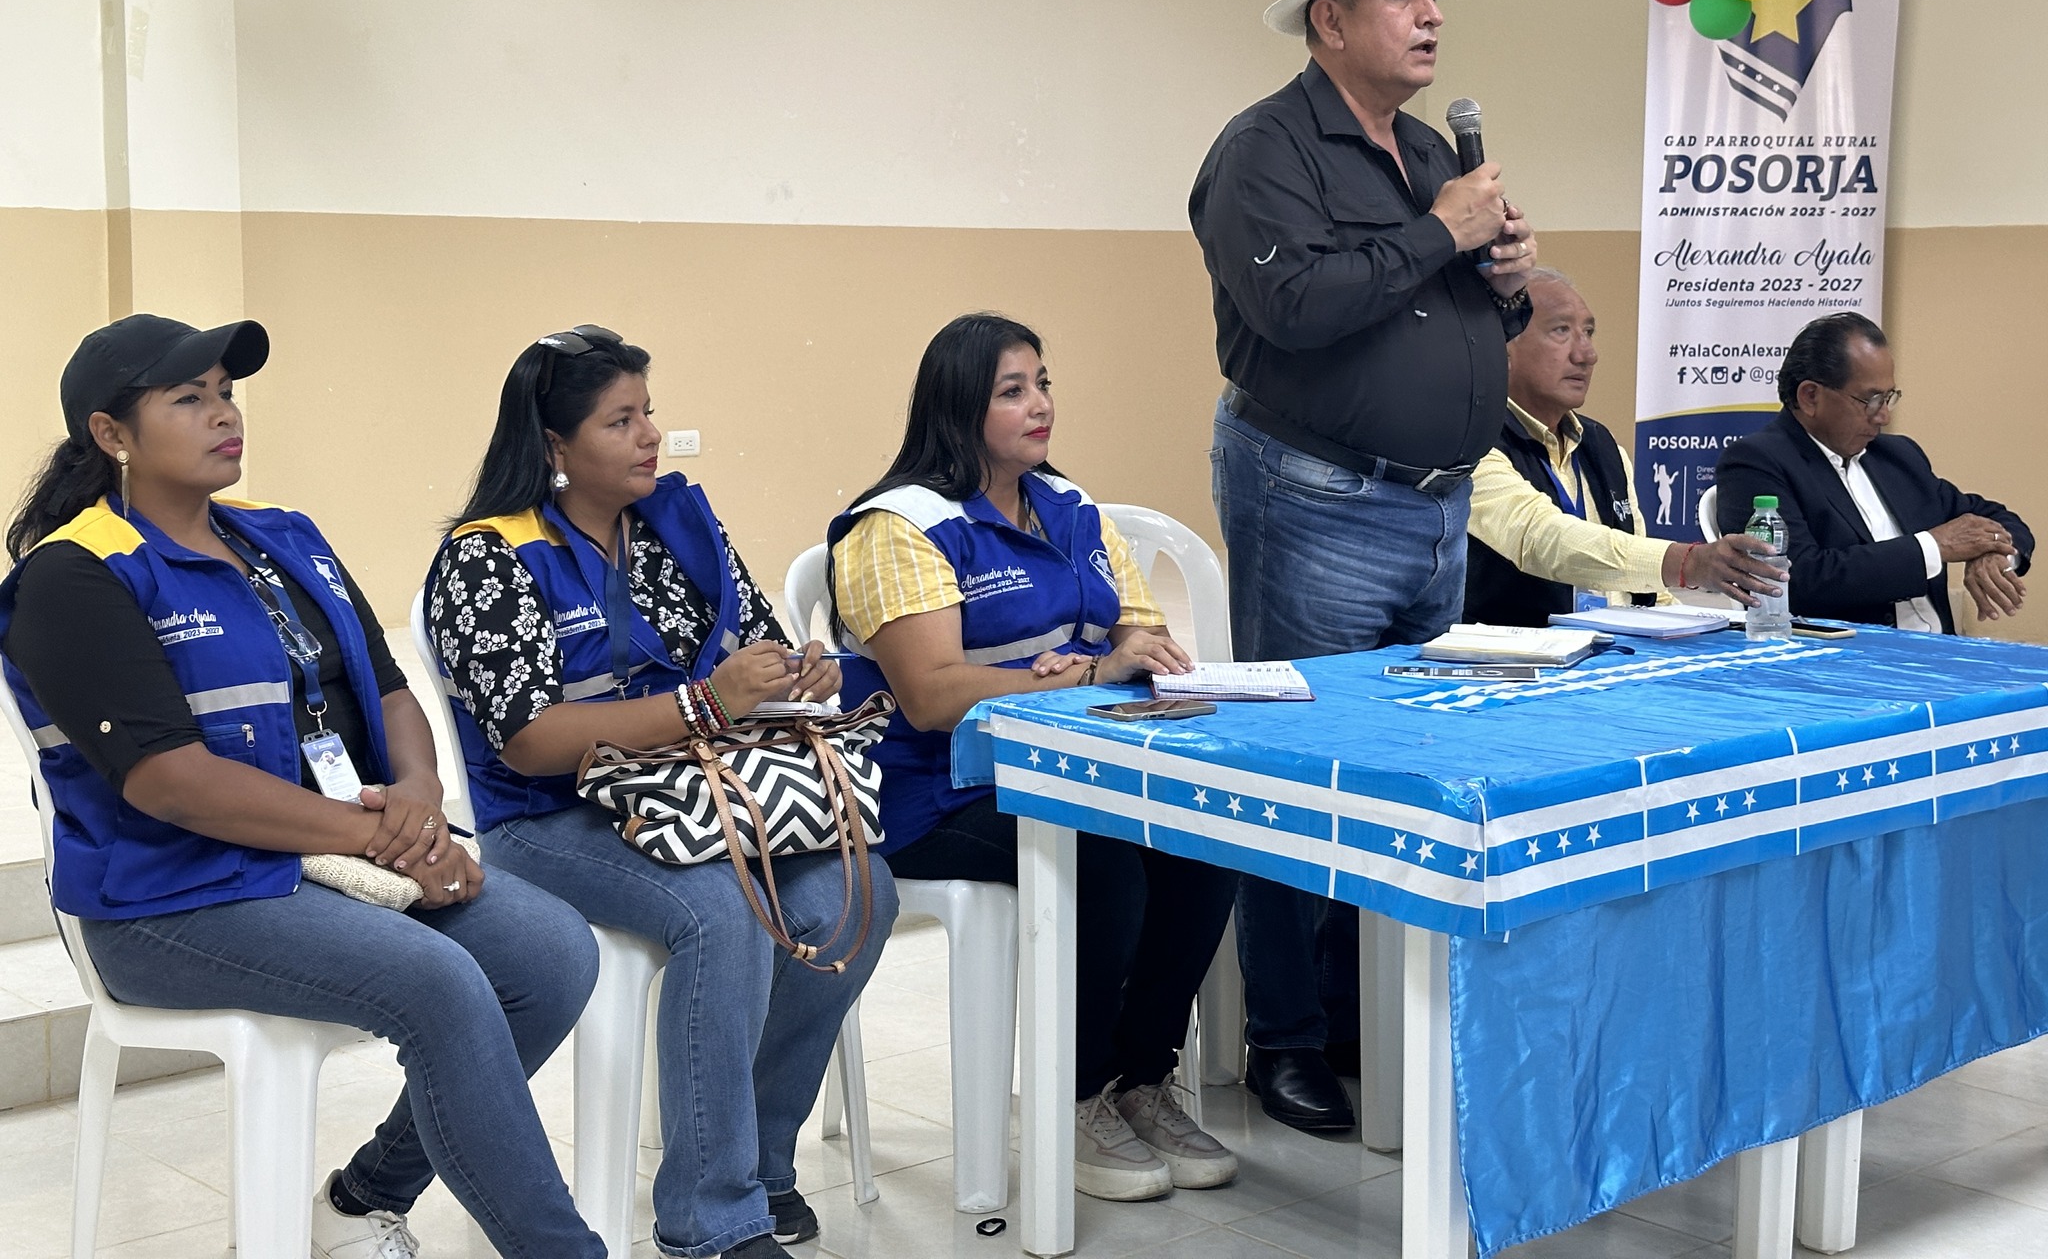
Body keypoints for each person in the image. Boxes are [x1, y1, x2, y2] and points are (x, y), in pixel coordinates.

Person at [0, 314, 605, 1259]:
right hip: (172, 897)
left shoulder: (284, 537)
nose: (224, 414)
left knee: (552, 954)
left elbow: (389, 689)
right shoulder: (73, 576)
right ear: (111, 433)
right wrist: (381, 836)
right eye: (189, 398)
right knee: (440, 982)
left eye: (226, 393)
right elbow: (173, 785)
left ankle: (364, 1197)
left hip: (331, 859)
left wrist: (418, 800)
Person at [426, 324, 897, 1259]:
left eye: (650, 413)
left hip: (696, 794)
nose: (650, 437)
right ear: (554, 445)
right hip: (551, 817)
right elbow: (529, 741)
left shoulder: (674, 529)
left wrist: (797, 671)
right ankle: (710, 1219)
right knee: (722, 910)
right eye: (620, 421)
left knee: (861, 889)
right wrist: (705, 701)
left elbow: (754, 649)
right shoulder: (489, 558)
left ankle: (758, 1162)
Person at [1188, 0, 1539, 1135]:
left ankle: (1362, 1016)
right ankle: (1285, 1037)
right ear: (1328, 21)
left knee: (1398, 773)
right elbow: (1296, 310)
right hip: (1313, 499)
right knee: (1304, 763)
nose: (1430, 12)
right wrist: (1437, 233)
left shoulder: (1433, 152)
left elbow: (1447, 316)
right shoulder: (1262, 151)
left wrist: (1500, 283)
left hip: (1434, 509)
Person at [828, 312, 1239, 1203]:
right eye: (1012, 391)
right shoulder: (897, 527)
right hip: (930, 791)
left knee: (1205, 838)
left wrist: (1119, 653)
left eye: (1043, 383)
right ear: (957, 408)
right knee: (1103, 852)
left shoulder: (1069, 506)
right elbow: (933, 694)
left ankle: (1142, 1080)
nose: (1041, 404)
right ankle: (1075, 1095)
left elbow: (1142, 633)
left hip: (1064, 766)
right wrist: (1078, 673)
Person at [1465, 270, 1784, 624]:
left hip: (1618, 646)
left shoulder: (1603, 446)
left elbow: (1646, 590)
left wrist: (1689, 629)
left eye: (1588, 333)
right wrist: (1687, 562)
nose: (1587, 355)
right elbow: (1538, 536)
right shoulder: (1468, 442)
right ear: (1502, 345)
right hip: (1521, 651)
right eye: (1561, 331)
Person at [1713, 311, 2032, 631]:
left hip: (1941, 650)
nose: (1884, 417)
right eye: (1871, 399)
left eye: (1888, 398)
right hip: (1851, 655)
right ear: (1810, 396)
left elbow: (1993, 517)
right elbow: (1795, 582)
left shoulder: (1897, 456)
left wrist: (1993, 553)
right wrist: (1933, 547)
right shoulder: (1756, 461)